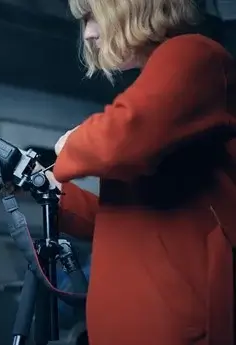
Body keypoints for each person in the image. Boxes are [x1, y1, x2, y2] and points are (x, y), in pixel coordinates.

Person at [47, 0, 236, 344]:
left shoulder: (193, 55)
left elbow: (120, 137)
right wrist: (49, 193)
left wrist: (71, 144)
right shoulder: (160, 104)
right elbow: (123, 219)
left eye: (92, 16)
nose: (88, 33)